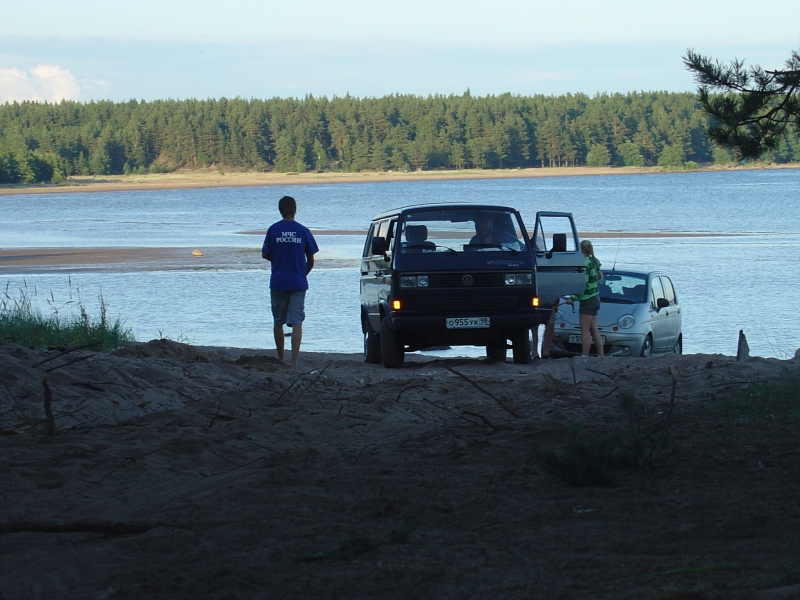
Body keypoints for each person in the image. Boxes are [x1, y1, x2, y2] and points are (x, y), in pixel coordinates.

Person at [262, 196, 319, 367]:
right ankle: (293, 361)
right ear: (295, 210)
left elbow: (265, 254)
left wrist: (279, 258)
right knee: (297, 321)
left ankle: (281, 358)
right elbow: (311, 260)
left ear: (280, 210)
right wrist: (303, 273)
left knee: (278, 321)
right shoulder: (302, 231)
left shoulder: (273, 230)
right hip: (297, 281)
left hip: (279, 280)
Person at [565, 240, 604, 357]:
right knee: (594, 329)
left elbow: (583, 285)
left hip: (587, 300)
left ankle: (584, 356)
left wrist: (572, 298)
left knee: (584, 330)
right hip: (595, 298)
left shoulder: (585, 263)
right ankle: (601, 355)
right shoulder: (594, 261)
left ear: (580, 250)